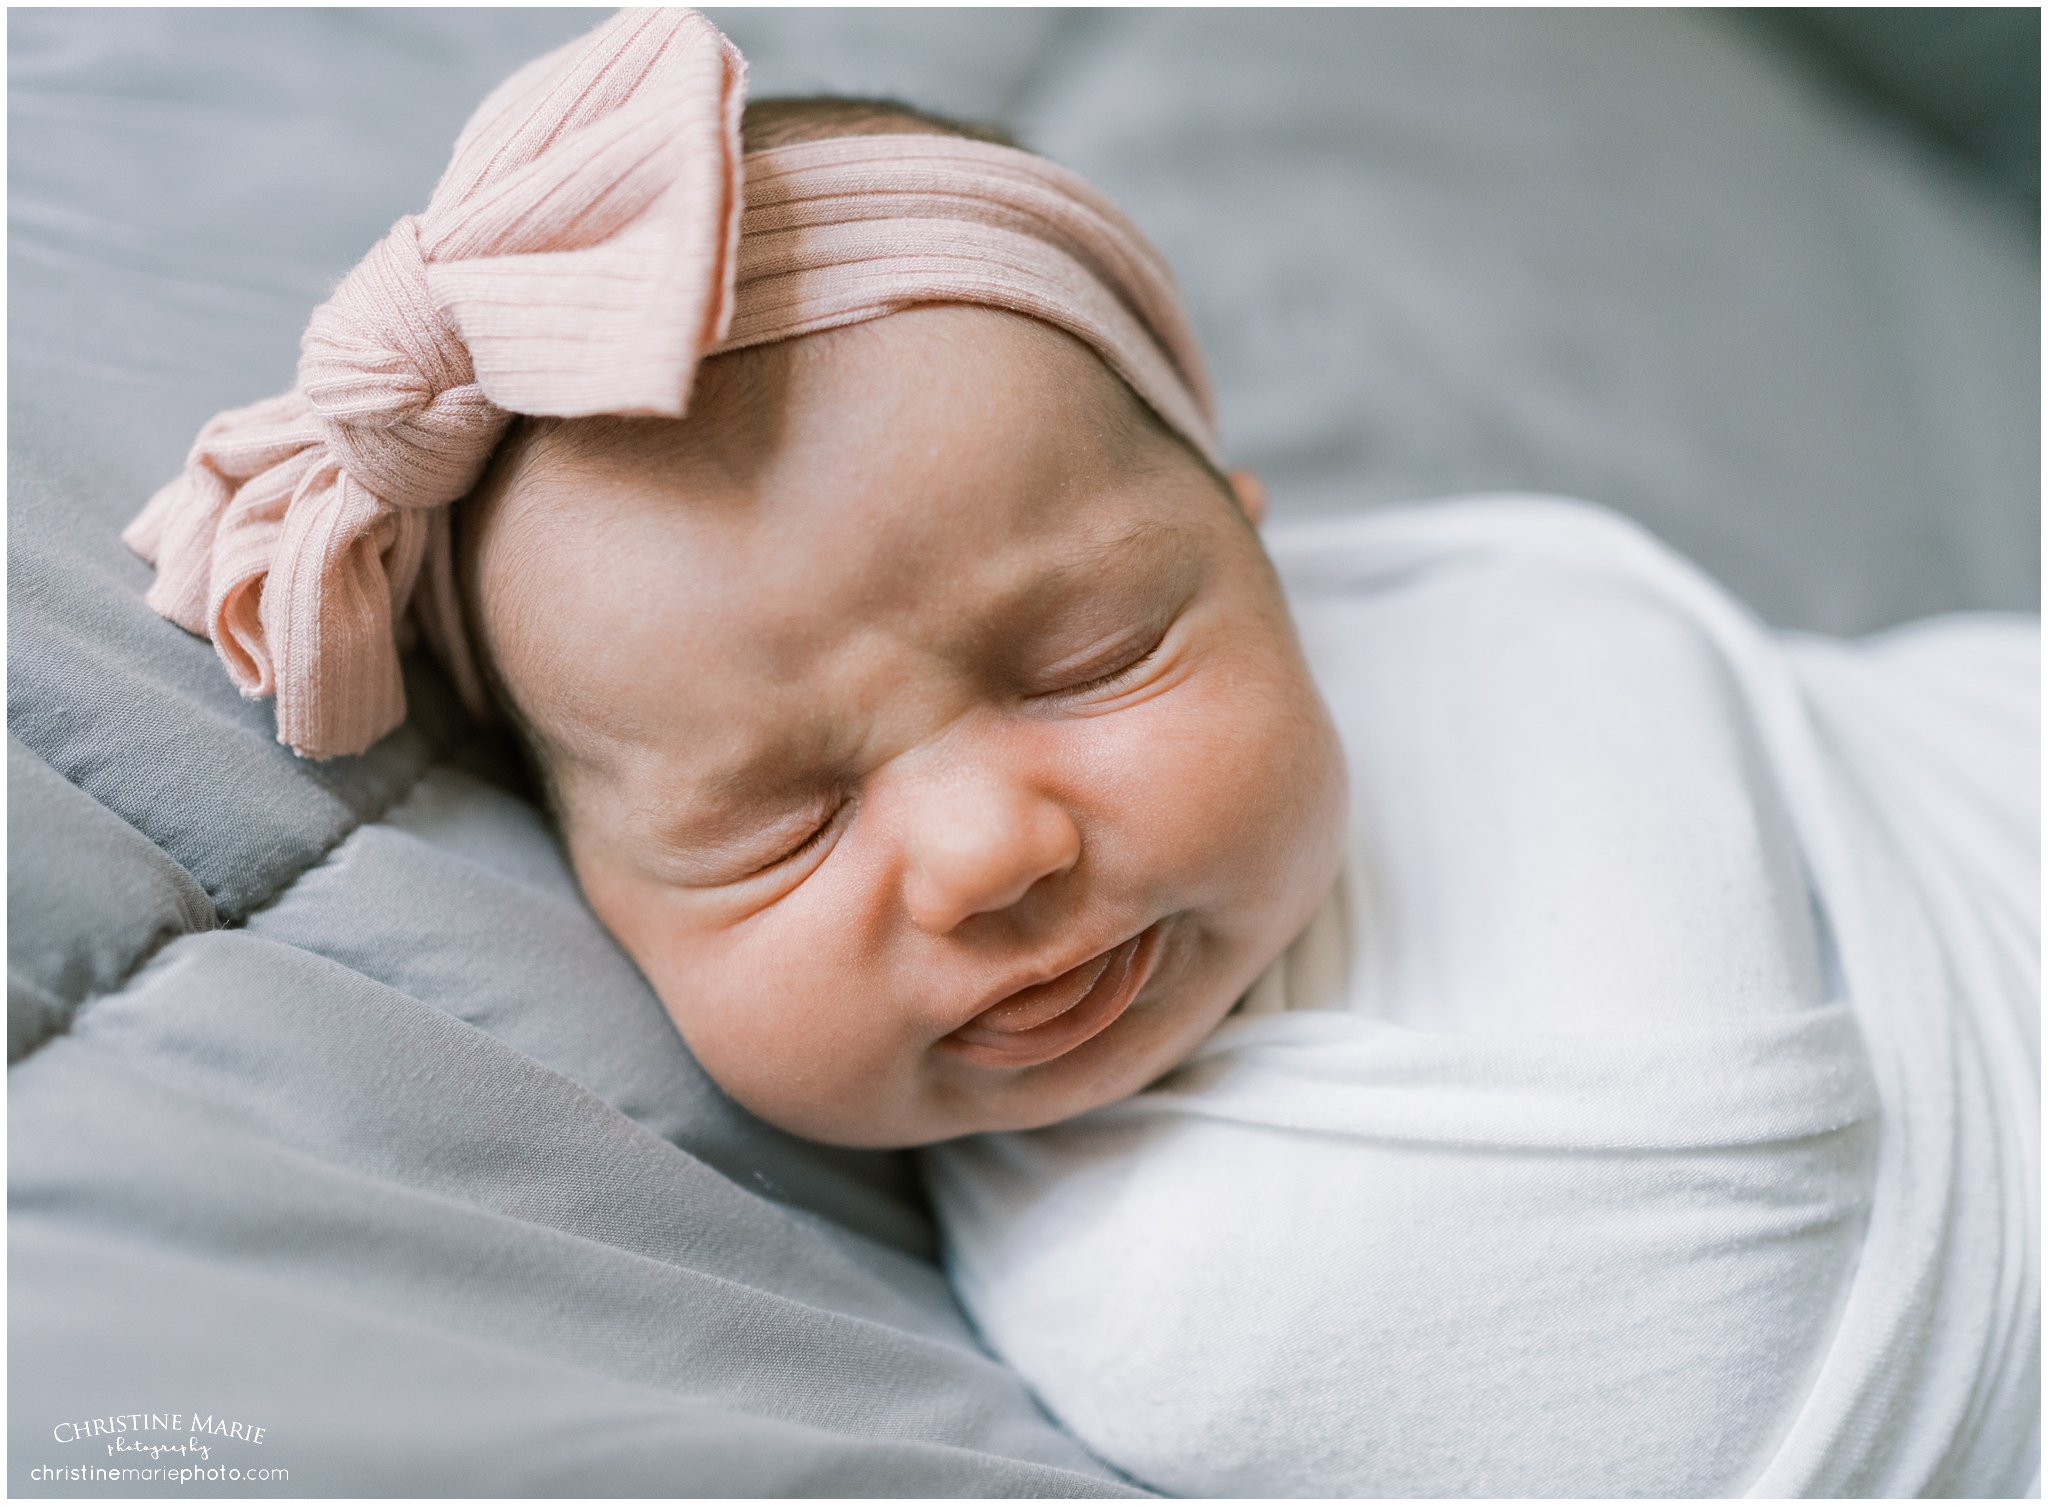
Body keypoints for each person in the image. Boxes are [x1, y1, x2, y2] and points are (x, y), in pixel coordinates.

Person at [122, 9, 2037, 1496]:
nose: (986, 853)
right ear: (590, 881)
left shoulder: (1519, 637)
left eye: (1097, 657)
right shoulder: (1201, 1317)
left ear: (1266, 550)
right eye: (780, 822)